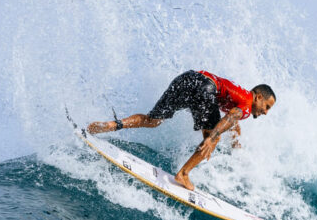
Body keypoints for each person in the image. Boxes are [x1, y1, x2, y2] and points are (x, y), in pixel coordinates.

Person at [87, 70, 276, 190]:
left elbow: (234, 120)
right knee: (212, 137)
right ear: (258, 97)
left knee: (153, 120)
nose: (266, 112)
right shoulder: (246, 105)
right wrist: (212, 139)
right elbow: (230, 117)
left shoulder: (241, 97)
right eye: (267, 107)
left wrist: (236, 142)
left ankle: (112, 125)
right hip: (205, 88)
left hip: (188, 79)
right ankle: (183, 174)